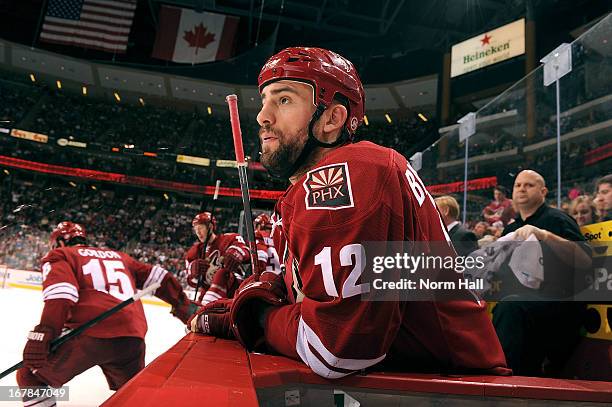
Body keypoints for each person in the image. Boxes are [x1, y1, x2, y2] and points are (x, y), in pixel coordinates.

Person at [188, 47, 509, 378]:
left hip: (459, 388)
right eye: (265, 100)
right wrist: (243, 309)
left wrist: (255, 317)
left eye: (283, 100)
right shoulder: (319, 185)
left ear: (332, 119)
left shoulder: (350, 173)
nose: (262, 116)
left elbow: (337, 350)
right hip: (430, 378)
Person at [16, 221, 196, 406]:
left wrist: (44, 332)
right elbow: (161, 277)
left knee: (30, 376)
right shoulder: (119, 256)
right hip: (132, 338)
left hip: (88, 333)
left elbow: (61, 295)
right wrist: (184, 309)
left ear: (60, 242)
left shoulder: (60, 255)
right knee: (131, 393)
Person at [492, 170, 591, 376]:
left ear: (543, 191)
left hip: (562, 303)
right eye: (518, 185)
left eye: (528, 185)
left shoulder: (558, 220)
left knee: (510, 308)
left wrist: (545, 236)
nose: (521, 189)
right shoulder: (511, 230)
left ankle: (507, 379)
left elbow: (585, 259)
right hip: (524, 303)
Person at [184, 212, 250, 304]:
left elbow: (248, 254)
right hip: (209, 294)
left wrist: (238, 252)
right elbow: (192, 282)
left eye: (200, 228)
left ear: (210, 227)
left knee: (222, 274)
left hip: (232, 292)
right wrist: (193, 272)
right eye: (196, 229)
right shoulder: (195, 251)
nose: (198, 232)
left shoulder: (229, 239)